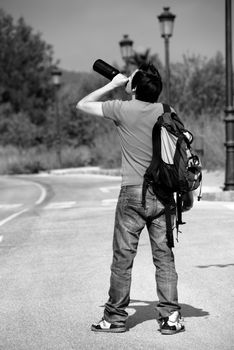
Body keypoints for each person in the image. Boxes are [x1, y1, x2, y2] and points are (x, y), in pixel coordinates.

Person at [76, 63, 185, 335]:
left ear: (134, 86)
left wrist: (114, 85)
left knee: (123, 258)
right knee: (164, 258)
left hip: (133, 194)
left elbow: (83, 104)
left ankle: (114, 318)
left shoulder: (122, 109)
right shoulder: (166, 110)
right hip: (163, 194)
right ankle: (170, 317)